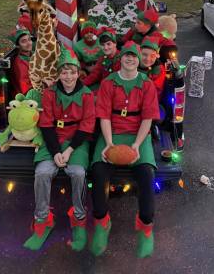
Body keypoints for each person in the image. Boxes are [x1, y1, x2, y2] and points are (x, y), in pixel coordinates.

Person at [90, 41, 160, 258]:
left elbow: (148, 119)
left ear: (139, 60)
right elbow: (103, 116)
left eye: (134, 56)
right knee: (98, 173)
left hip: (138, 135)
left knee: (147, 175)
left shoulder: (146, 84)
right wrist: (109, 144)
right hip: (112, 133)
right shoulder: (108, 83)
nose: (130, 59)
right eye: (126, 55)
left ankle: (145, 226)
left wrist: (137, 145)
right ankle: (102, 223)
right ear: (121, 58)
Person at [23, 47, 95, 251]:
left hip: (76, 142)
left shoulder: (87, 95)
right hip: (54, 140)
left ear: (78, 72)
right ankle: (42, 219)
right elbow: (46, 124)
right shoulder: (50, 93)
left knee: (78, 173)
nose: (69, 76)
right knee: (43, 172)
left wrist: (69, 151)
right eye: (64, 72)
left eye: (72, 72)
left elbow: (87, 125)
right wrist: (55, 151)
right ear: (58, 74)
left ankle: (79, 217)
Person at [81, 26, 120, 91]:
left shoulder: (121, 59)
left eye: (108, 44)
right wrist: (81, 84)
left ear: (115, 44)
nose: (105, 48)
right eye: (103, 45)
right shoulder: (103, 58)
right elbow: (95, 74)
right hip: (103, 87)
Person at [8, 28, 33, 96]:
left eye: (29, 40)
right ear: (18, 46)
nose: (29, 43)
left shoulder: (32, 54)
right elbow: (26, 90)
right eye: (24, 41)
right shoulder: (19, 64)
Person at [139, 36, 166, 101]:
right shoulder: (132, 64)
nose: (148, 59)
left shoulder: (158, 70)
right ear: (139, 53)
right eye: (144, 54)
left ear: (156, 56)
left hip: (149, 100)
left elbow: (155, 90)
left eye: (152, 56)